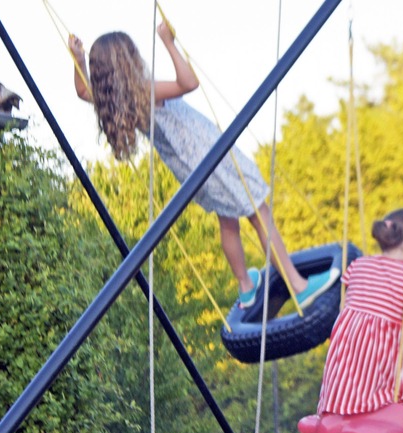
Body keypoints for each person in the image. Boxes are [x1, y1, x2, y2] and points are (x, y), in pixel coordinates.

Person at [68, 24, 338, 310]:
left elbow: (83, 90)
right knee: (259, 212)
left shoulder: (116, 100)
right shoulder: (144, 90)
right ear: (127, 60)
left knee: (227, 218)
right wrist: (168, 42)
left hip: (190, 167)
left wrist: (78, 60)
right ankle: (299, 286)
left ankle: (246, 287)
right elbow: (188, 83)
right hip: (210, 156)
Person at [317, 209, 403, 415]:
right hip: (380, 366)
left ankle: (337, 411)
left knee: (394, 366)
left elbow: (347, 310)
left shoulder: (359, 265)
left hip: (343, 377)